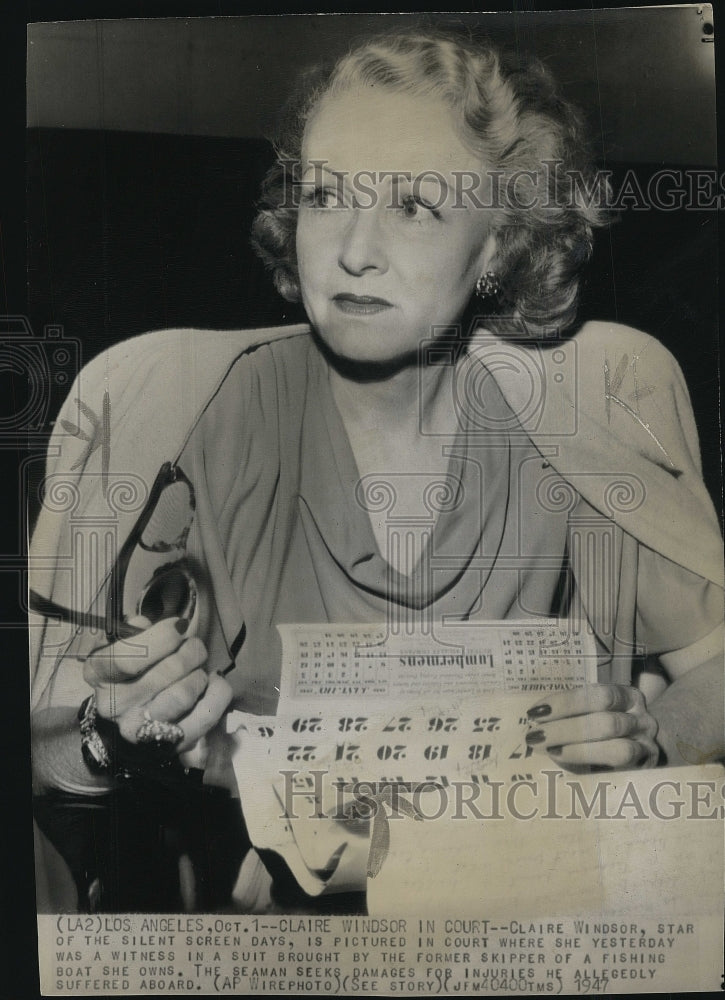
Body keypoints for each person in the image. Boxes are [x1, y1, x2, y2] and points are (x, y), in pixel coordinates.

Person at [30, 30, 724, 912]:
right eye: (326, 196)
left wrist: (651, 734)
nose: (353, 249)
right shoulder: (194, 415)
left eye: (416, 206)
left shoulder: (578, 412)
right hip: (281, 936)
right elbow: (41, 755)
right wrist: (106, 737)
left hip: (537, 909)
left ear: (498, 246)